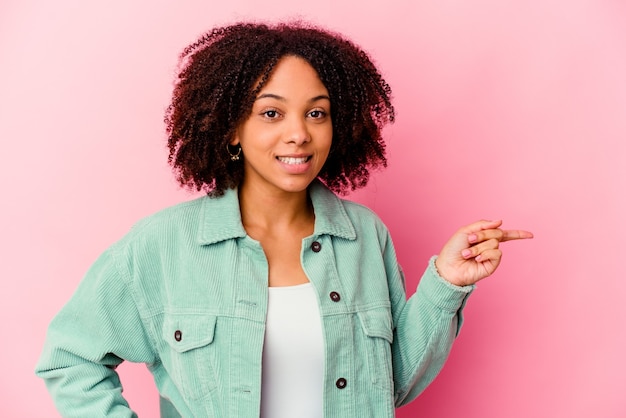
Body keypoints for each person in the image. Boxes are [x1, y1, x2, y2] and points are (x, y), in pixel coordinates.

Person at [35, 22, 533, 417]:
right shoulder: (163, 245)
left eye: (317, 113)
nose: (299, 134)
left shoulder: (363, 237)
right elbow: (71, 358)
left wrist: (447, 281)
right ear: (232, 129)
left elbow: (393, 386)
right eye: (271, 114)